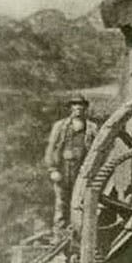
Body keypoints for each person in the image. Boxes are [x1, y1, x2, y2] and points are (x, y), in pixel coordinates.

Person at [45, 95, 98, 232]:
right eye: (75, 105)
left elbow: (99, 149)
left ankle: (81, 235)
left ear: (85, 108)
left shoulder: (92, 127)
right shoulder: (60, 126)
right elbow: (51, 148)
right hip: (63, 170)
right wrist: (53, 169)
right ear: (70, 108)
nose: (78, 108)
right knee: (61, 204)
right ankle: (59, 235)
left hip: (83, 172)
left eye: (81, 105)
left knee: (81, 204)